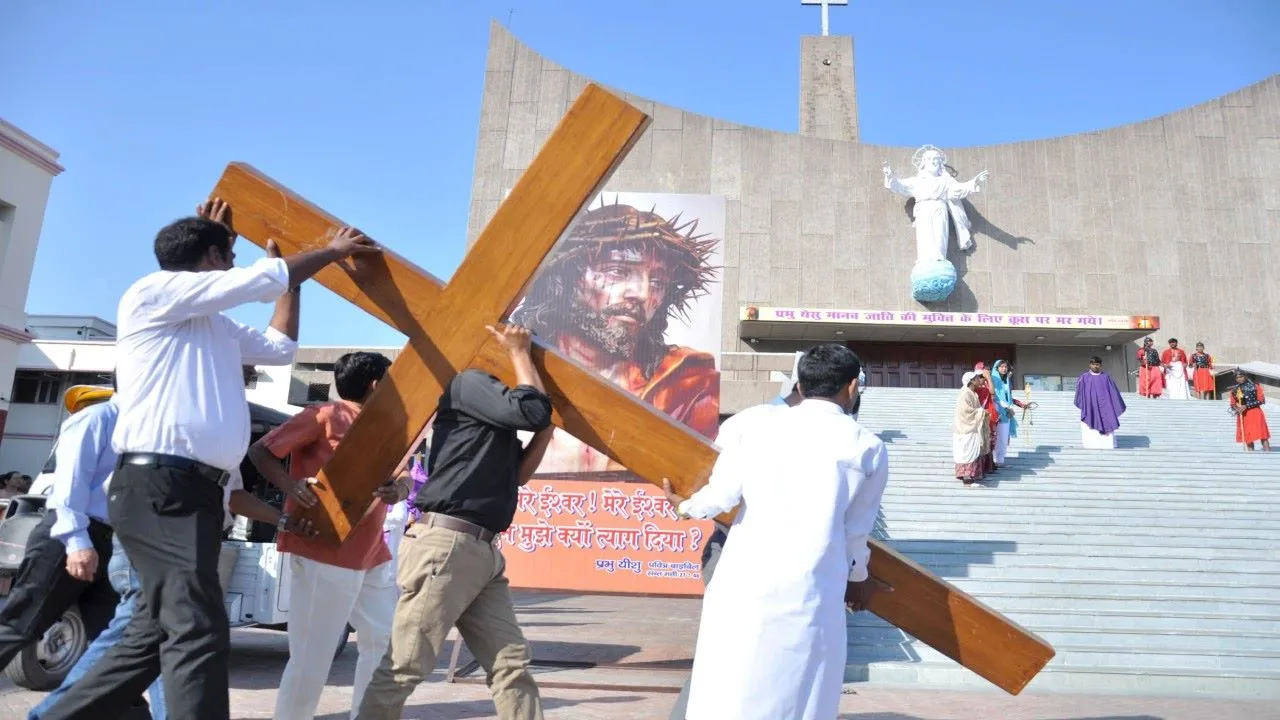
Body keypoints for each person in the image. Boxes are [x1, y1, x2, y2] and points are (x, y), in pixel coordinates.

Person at [42, 199, 379, 720]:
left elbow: (280, 347)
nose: (233, 266)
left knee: (151, 633)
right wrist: (328, 252)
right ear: (213, 258)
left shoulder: (214, 328)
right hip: (160, 485)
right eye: (227, 255)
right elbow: (251, 281)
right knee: (197, 631)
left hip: (193, 493)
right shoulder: (152, 292)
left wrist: (294, 283)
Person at [660, 343, 889, 720]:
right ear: (852, 387)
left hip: (745, 582)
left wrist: (683, 507)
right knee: (802, 688)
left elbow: (720, 495)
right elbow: (856, 532)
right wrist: (859, 577)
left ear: (799, 384)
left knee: (731, 683)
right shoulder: (867, 447)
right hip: (813, 589)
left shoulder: (758, 428)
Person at [357, 324, 555, 720]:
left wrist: (546, 432)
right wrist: (520, 353)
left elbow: (516, 474)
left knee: (511, 665)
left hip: (480, 552)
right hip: (447, 546)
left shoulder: (491, 408)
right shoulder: (469, 383)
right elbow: (532, 411)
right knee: (405, 665)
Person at [246, 351, 410, 720]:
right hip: (324, 546)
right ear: (375, 384)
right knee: (313, 654)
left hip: (372, 551)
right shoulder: (322, 415)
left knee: (385, 640)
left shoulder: (385, 424)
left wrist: (398, 490)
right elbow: (261, 452)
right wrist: (291, 486)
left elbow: (403, 475)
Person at [507, 201, 720, 474]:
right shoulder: (509, 366)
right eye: (618, 271)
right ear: (570, 278)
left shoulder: (688, 383)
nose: (641, 294)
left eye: (656, 282)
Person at [665, 350, 805, 720]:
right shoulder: (757, 424)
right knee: (730, 652)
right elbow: (720, 490)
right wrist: (686, 507)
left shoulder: (801, 428)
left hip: (777, 556)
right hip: (736, 549)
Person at [0, 386, 120, 707]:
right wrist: (77, 542)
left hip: (111, 542)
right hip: (69, 534)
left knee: (116, 644)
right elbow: (68, 485)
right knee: (19, 624)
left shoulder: (148, 429)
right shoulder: (98, 418)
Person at [1074, 357, 1127, 450]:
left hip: (1106, 407)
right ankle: (1090, 444)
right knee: (1090, 424)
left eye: (1097, 364)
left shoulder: (1106, 377)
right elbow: (1080, 392)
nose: (1095, 366)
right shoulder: (1084, 377)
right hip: (1091, 407)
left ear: (1101, 366)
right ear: (1090, 365)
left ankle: (1106, 444)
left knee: (1107, 420)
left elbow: (1113, 392)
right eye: (1093, 364)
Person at [954, 372, 991, 485]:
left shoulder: (972, 393)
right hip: (965, 428)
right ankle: (967, 475)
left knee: (973, 451)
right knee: (966, 451)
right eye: (976, 378)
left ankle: (973, 474)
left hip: (972, 428)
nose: (978, 380)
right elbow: (965, 411)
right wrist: (980, 412)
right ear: (971, 381)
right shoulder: (965, 393)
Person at [990, 359, 1026, 466]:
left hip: (1007, 413)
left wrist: (1020, 404)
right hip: (997, 411)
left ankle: (1000, 460)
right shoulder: (993, 380)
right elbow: (994, 396)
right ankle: (993, 460)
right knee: (996, 437)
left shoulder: (1006, 380)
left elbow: (1008, 398)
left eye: (1005, 367)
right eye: (1001, 367)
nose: (1004, 369)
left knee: (1004, 437)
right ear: (997, 368)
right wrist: (1005, 407)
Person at [1229, 370, 1271, 452]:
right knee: (1248, 436)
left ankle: (1268, 452)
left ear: (1245, 376)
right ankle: (1251, 453)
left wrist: (1246, 406)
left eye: (1241, 377)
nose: (1239, 379)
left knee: (1263, 434)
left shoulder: (1255, 386)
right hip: (1244, 415)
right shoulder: (1234, 390)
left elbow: (1262, 400)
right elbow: (1232, 403)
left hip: (1255, 412)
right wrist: (1236, 408)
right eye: (1237, 377)